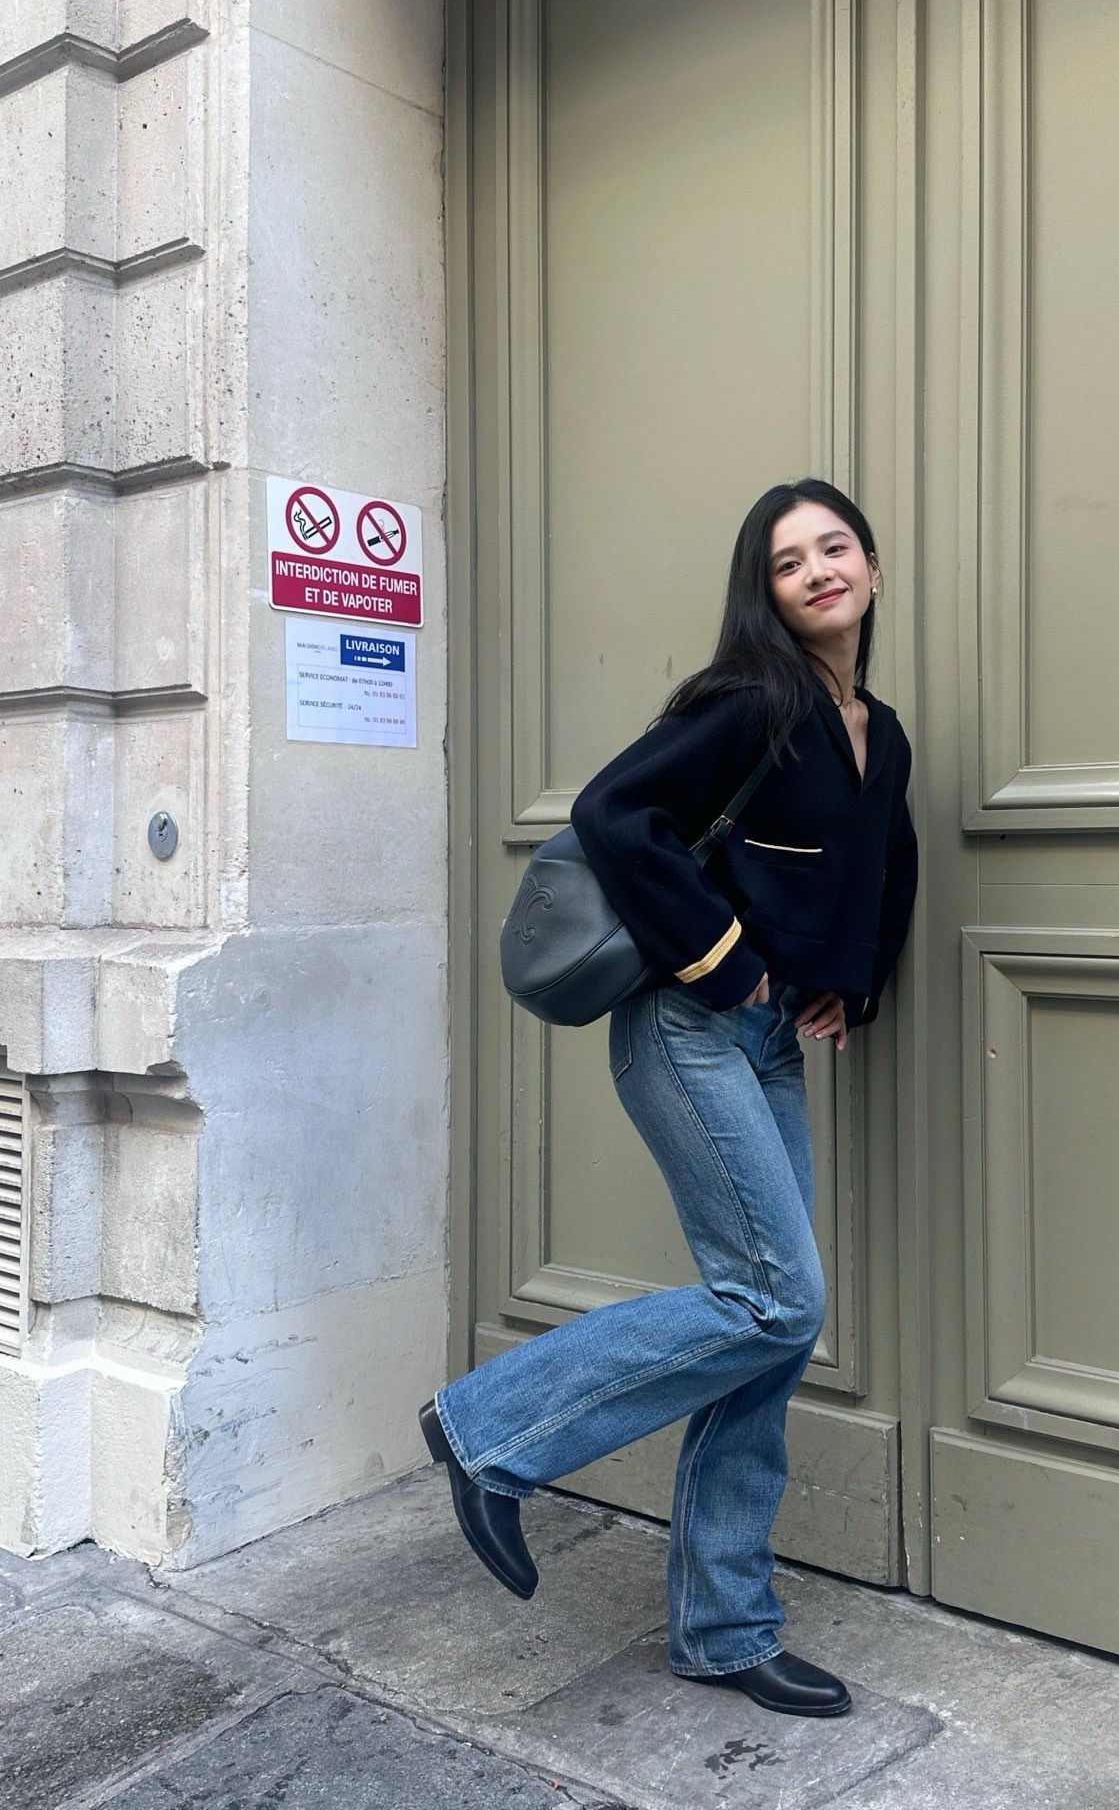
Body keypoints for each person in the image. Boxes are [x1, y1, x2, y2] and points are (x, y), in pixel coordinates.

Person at [420, 477, 918, 1718]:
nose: (818, 571)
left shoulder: (880, 729)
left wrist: (845, 986)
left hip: (770, 1042)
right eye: (789, 560)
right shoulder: (751, 701)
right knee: (775, 1298)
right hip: (684, 1027)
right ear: (766, 590)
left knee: (773, 1332)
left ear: (873, 568)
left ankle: (722, 1626)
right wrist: (725, 960)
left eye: (836, 548)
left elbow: (881, 866)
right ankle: (490, 1430)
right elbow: (615, 812)